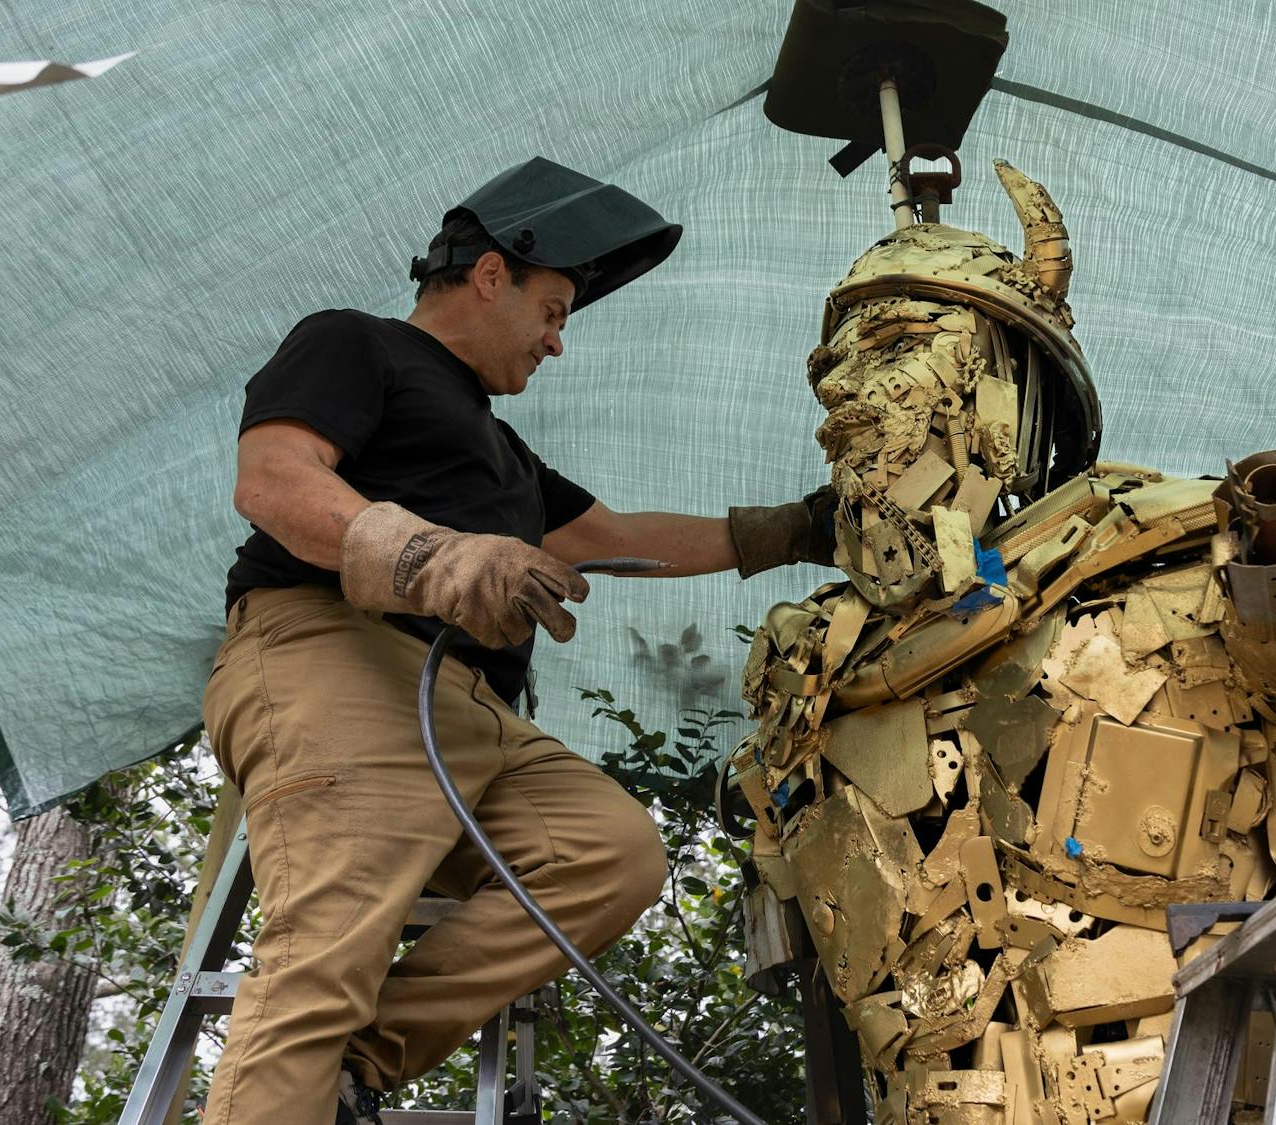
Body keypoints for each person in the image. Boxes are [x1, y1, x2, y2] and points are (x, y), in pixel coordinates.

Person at [201, 156, 834, 1124]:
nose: (556, 342)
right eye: (553, 310)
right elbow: (275, 479)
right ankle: (302, 1071)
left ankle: (350, 1070)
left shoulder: (503, 453)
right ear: (490, 273)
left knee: (610, 854)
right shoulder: (352, 344)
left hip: (471, 705)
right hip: (337, 657)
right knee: (324, 953)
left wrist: (796, 530)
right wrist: (421, 557)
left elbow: (621, 544)